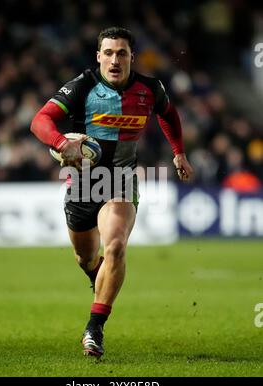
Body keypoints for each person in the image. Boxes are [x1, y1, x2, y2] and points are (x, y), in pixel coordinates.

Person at [30, 26, 193, 357]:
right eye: (108, 52)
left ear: (132, 57)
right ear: (98, 56)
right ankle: (98, 274)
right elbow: (40, 120)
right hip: (82, 182)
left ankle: (94, 328)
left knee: (116, 246)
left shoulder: (150, 88)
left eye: (121, 53)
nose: (115, 59)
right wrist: (62, 143)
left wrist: (178, 151)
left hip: (120, 179)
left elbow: (169, 115)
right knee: (85, 258)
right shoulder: (83, 86)